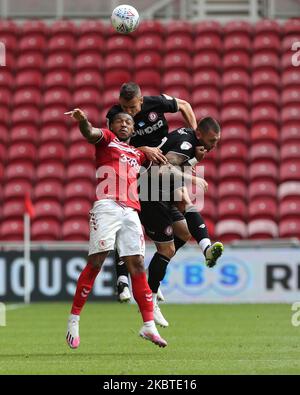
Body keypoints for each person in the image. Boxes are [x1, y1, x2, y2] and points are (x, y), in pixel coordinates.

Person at [64, 108, 167, 349]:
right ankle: (74, 319)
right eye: (119, 121)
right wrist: (84, 121)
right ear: (112, 125)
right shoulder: (108, 140)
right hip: (107, 206)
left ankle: (148, 326)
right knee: (97, 261)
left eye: (128, 122)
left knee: (138, 264)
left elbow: (157, 158)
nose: (124, 124)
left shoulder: (137, 154)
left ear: (133, 129)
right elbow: (90, 133)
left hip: (131, 211)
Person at [106, 82, 202, 302]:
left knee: (184, 232)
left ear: (141, 100)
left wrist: (195, 138)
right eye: (124, 107)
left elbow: (185, 105)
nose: (127, 112)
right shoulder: (114, 115)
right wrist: (144, 150)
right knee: (127, 224)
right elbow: (114, 147)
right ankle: (122, 281)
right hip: (134, 171)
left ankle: (156, 269)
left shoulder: (156, 103)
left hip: (164, 169)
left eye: (131, 107)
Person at [141, 117, 224, 326]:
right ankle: (150, 300)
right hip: (149, 194)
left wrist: (194, 161)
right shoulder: (186, 144)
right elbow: (163, 169)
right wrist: (194, 176)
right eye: (212, 140)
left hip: (162, 190)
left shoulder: (190, 140)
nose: (214, 145)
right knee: (166, 250)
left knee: (184, 232)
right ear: (200, 134)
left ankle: (206, 249)